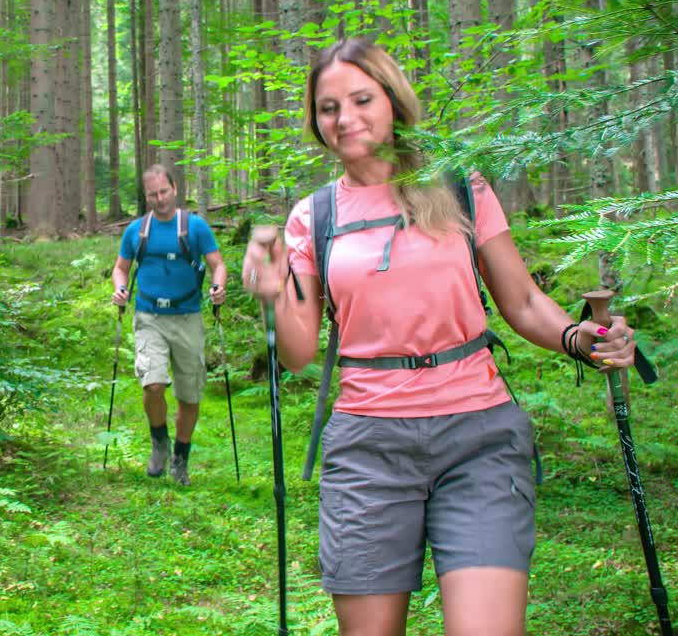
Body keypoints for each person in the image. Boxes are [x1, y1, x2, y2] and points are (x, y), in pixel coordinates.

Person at [241, 38, 640, 635]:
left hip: (477, 437)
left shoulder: (458, 187)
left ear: (393, 101)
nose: (345, 119)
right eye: (328, 109)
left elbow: (523, 300)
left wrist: (580, 338)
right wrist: (272, 293)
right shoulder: (313, 216)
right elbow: (299, 354)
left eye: (360, 99)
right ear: (315, 121)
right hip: (367, 447)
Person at [111, 164, 228, 486]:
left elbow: (217, 264)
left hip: (188, 317)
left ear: (174, 188)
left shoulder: (196, 227)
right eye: (152, 194)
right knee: (153, 384)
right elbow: (121, 269)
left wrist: (218, 286)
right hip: (149, 316)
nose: (159, 199)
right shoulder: (136, 230)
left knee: (189, 396)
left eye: (164, 192)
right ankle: (159, 442)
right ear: (146, 197)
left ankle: (181, 458)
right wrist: (120, 289)